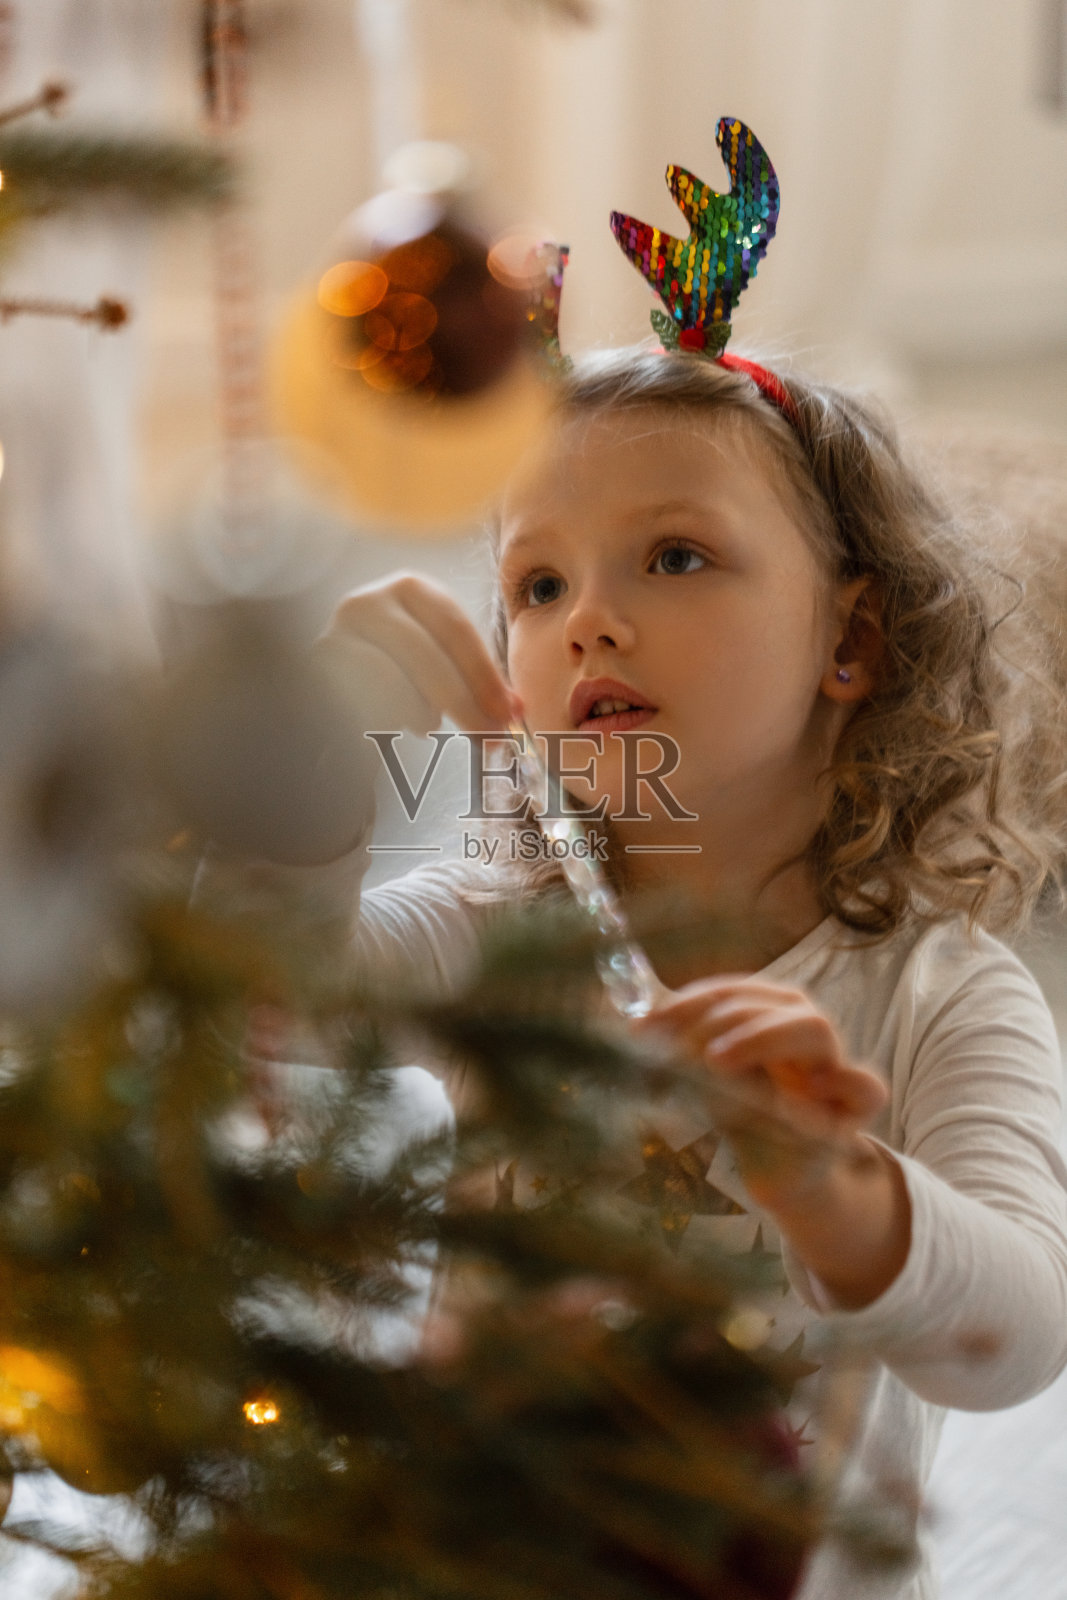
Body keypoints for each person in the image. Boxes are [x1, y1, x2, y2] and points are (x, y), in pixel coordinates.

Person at [321, 347, 1067, 1600]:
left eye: (672, 556)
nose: (586, 620)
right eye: (537, 583)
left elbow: (1015, 1341)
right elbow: (251, 995)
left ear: (851, 637)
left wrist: (840, 1194)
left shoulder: (945, 995)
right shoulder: (493, 938)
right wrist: (305, 769)